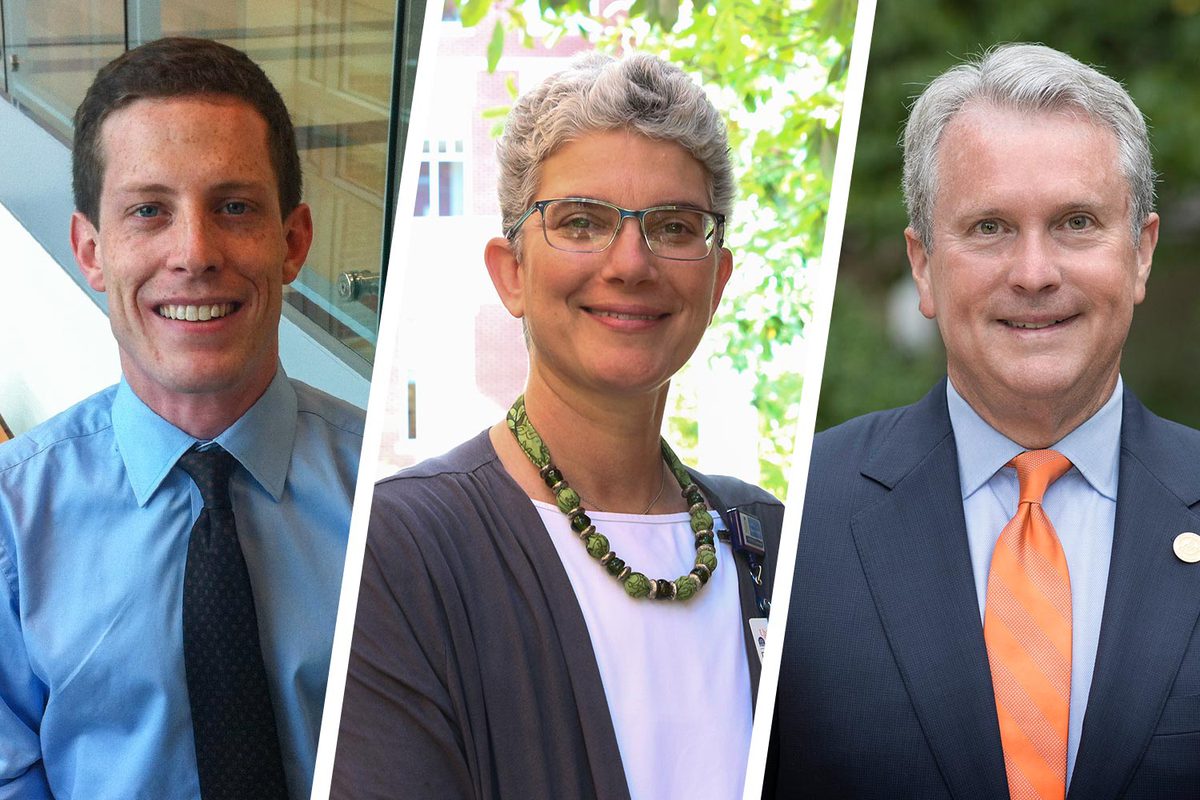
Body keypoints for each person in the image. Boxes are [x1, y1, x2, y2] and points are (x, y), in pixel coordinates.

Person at [333, 52, 783, 799]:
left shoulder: (769, 538)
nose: (631, 263)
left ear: (718, 280)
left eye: (674, 227)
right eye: (582, 222)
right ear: (511, 272)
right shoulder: (399, 548)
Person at [768, 43, 1200, 798]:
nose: (1034, 273)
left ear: (1141, 254)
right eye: (991, 228)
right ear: (925, 265)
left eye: (1075, 222)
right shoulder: (798, 518)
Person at [0, 38, 364, 799]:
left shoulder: (394, 497)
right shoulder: (12, 523)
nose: (194, 251)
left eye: (234, 206)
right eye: (148, 211)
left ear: (293, 242)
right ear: (91, 252)